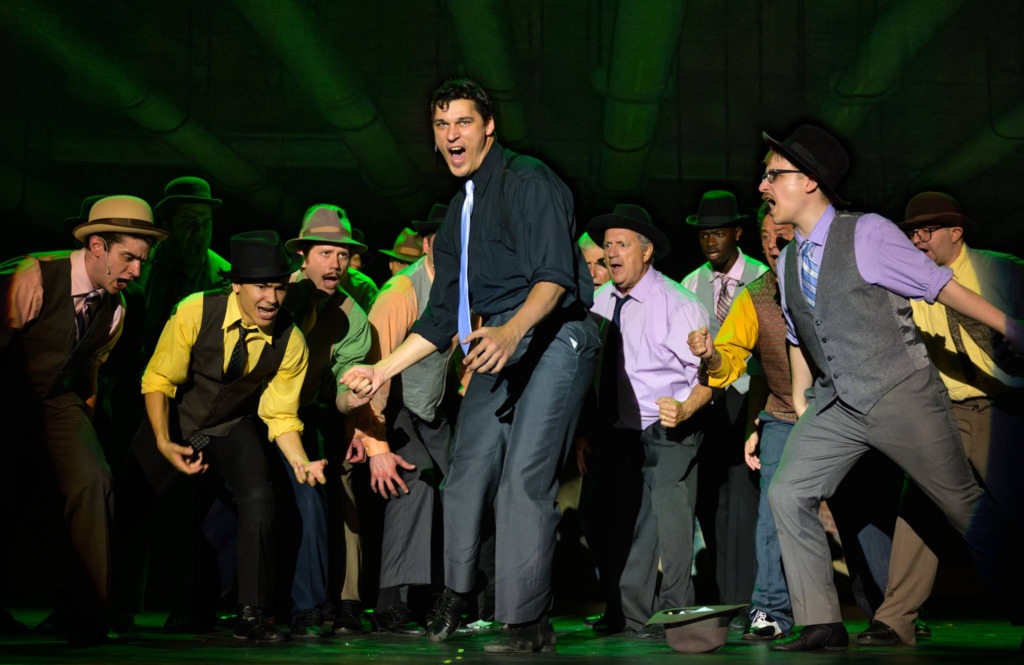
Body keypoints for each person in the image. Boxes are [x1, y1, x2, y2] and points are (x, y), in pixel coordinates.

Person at [343, 77, 598, 653]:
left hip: (555, 332)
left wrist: (510, 330)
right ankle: (457, 595)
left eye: (462, 122)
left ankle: (527, 621)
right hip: (497, 339)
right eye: (441, 126)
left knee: (523, 478)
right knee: (465, 473)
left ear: (488, 128)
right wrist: (381, 372)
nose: (451, 135)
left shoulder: (529, 180)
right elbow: (438, 318)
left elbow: (556, 278)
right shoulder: (459, 209)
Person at [758, 124, 1024, 652]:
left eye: (772, 175)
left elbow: (943, 289)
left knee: (963, 506)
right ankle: (821, 622)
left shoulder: (869, 233)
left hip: (899, 391)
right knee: (788, 492)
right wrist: (802, 403)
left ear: (810, 181)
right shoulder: (787, 262)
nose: (763, 186)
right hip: (838, 402)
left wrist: (1011, 326)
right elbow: (800, 341)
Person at [688, 204, 900, 641]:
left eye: (781, 237)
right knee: (772, 508)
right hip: (785, 412)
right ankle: (771, 610)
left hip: (847, 412)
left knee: (860, 510)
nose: (772, 246)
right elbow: (729, 359)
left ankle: (890, 611)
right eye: (766, 238)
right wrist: (710, 355)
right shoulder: (756, 296)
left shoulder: (836, 283)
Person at [122, 230, 327, 643]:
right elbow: (159, 379)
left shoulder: (290, 340)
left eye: (280, 287)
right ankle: (106, 605)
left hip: (228, 425)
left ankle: (252, 613)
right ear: (237, 284)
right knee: (130, 501)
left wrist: (301, 461)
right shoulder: (196, 311)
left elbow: (280, 415)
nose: (271, 298)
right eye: (261, 286)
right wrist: (163, 441)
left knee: (259, 495)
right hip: (176, 419)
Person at [858, 192, 1024, 647]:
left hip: (1001, 410)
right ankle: (895, 618)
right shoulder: (908, 278)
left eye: (926, 230)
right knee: (919, 510)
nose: (917, 239)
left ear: (957, 231)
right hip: (942, 411)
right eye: (911, 231)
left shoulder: (1002, 270)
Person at [0, 195, 167, 644]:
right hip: (8, 391)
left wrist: (83, 435)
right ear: (97, 246)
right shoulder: (37, 276)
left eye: (141, 260)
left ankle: (87, 611)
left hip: (58, 399)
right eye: (127, 257)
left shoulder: (116, 308)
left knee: (94, 478)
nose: (135, 270)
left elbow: (88, 368)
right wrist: (29, 262)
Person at [582, 204, 712, 638]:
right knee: (610, 519)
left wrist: (685, 410)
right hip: (617, 429)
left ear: (647, 251)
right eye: (607, 245)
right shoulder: (600, 303)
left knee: (669, 522)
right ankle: (630, 614)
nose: (612, 253)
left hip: (669, 424)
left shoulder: (677, 303)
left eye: (622, 244)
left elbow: (710, 380)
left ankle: (676, 614)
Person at [345, 203, 454, 636]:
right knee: (412, 478)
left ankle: (440, 597)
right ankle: (392, 601)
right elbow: (372, 376)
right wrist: (377, 445)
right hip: (392, 407)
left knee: (463, 484)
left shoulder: (461, 288)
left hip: (437, 408)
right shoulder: (399, 293)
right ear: (427, 244)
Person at [279, 205, 373, 637]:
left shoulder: (352, 313)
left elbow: (342, 383)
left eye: (342, 255)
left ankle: (347, 600)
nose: (335, 263)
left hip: (313, 414)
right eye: (325, 253)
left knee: (341, 483)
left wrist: (350, 401)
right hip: (263, 411)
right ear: (304, 255)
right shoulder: (277, 293)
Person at [681, 190, 766, 618]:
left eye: (718, 233)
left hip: (750, 398)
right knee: (711, 499)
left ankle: (746, 596)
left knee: (745, 498)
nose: (710, 241)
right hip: (709, 403)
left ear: (736, 232)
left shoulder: (762, 275)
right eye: (703, 235)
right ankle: (722, 595)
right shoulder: (691, 284)